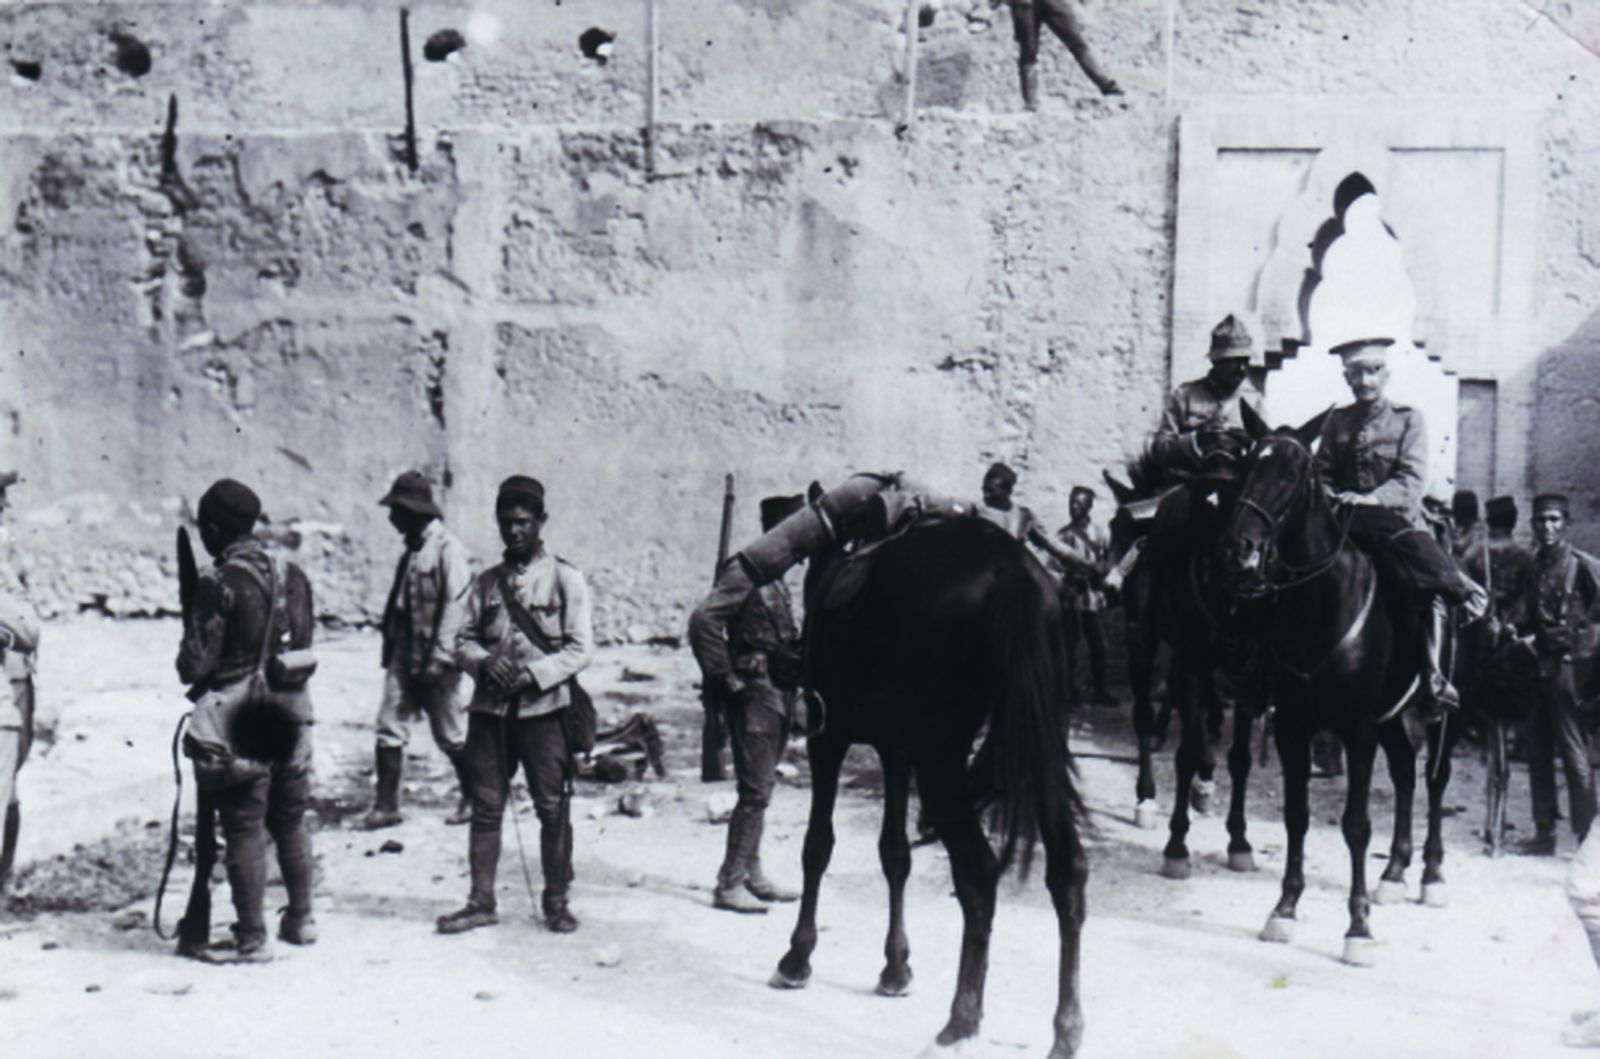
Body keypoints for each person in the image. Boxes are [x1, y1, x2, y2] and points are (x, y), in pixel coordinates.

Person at [437, 476, 594, 936]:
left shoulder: (565, 578)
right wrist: (485, 663)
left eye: (523, 522)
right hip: (491, 714)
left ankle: (557, 902)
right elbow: (459, 641)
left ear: (541, 522)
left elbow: (581, 648)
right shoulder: (486, 583)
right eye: (506, 522)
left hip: (545, 713)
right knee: (486, 807)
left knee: (552, 809)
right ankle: (480, 901)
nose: (514, 531)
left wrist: (531, 675)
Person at [175, 479, 317, 962]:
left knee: (243, 827)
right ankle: (301, 919)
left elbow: (195, 667)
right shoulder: (293, 575)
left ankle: (252, 938)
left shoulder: (217, 582)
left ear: (215, 528)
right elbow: (302, 646)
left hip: (238, 722)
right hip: (292, 713)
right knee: (290, 819)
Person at [1313, 337, 1486, 717]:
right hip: (1344, 524)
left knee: (1425, 588)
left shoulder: (1409, 419)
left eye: (1373, 372)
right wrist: (1334, 497)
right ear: (1346, 379)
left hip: (1395, 525)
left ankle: (1434, 676)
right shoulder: (1335, 423)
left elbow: (1411, 479)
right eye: (1356, 374)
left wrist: (1372, 499)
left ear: (1386, 375)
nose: (1365, 381)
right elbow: (1321, 473)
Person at [697, 495, 805, 914]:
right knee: (754, 790)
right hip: (754, 691)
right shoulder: (744, 572)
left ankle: (751, 873)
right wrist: (725, 677)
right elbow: (704, 621)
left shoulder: (774, 577)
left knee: (763, 787)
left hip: (778, 690)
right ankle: (729, 882)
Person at [360, 471, 474, 830]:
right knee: (389, 727)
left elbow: (456, 607)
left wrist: (440, 658)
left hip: (436, 659)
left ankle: (476, 797)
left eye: (396, 510)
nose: (392, 517)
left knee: (450, 734)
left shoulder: (448, 550)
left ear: (413, 510)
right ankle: (386, 807)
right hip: (405, 653)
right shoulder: (412, 550)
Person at [1510, 494, 1600, 856]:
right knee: (1537, 750)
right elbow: (1526, 612)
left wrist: (1563, 639)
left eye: (1554, 520)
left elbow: (1595, 622)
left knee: (1575, 757)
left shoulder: (1583, 566)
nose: (1547, 527)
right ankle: (1543, 832)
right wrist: (1513, 630)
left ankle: (1587, 841)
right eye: (1541, 521)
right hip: (1538, 669)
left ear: (1566, 523)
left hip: (1568, 671)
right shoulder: (1534, 565)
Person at [0, 468, 39, 892]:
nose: (5, 506)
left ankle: (4, 880)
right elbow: (27, 624)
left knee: (10, 783)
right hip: (7, 679)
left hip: (16, 672)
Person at [1003, 0, 1122, 110]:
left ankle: (1106, 86)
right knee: (1028, 51)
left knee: (1077, 43)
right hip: (1023, 4)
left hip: (1054, 2)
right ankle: (1031, 102)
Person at [1056, 486, 1114, 708]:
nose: (1073, 507)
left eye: (1079, 504)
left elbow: (1108, 559)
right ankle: (1071, 693)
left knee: (1099, 644)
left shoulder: (1100, 533)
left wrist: (1104, 570)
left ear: (1089, 506)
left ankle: (1100, 690)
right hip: (1073, 596)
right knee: (1071, 645)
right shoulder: (1063, 535)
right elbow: (1056, 566)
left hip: (1095, 595)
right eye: (1071, 502)